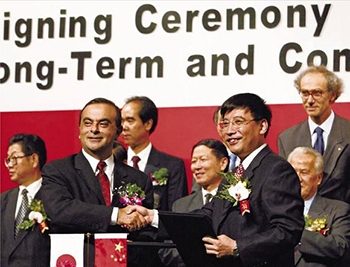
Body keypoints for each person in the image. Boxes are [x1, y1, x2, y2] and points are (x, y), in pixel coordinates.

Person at [134, 93, 305, 267]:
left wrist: (238, 247)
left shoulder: (276, 169)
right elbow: (208, 215)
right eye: (225, 124)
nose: (229, 131)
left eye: (238, 122)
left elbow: (288, 230)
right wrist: (153, 217)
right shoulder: (236, 173)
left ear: (262, 126)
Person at [40, 98, 153, 266]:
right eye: (87, 123)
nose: (94, 130)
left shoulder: (139, 179)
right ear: (79, 130)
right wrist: (116, 215)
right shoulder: (57, 171)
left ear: (118, 131)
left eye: (103, 124)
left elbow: (147, 234)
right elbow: (60, 210)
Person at [278, 65, 350, 203]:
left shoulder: (347, 132)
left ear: (332, 95)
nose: (310, 100)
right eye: (305, 93)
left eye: (317, 93)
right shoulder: (287, 138)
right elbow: (286, 186)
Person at [160, 138, 229, 267]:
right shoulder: (181, 205)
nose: (197, 167)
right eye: (194, 161)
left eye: (203, 160)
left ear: (223, 163)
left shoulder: (235, 200)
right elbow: (167, 249)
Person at [121, 96, 188, 211]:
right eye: (122, 121)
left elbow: (176, 212)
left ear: (148, 124)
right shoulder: (115, 162)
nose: (124, 126)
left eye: (130, 120)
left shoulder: (172, 166)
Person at [288, 147, 350, 267]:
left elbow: (341, 248)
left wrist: (296, 234)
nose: (297, 178)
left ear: (319, 178)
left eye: (304, 172)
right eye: (293, 172)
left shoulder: (338, 210)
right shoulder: (272, 207)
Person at [1, 133, 50, 267]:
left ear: (34, 159)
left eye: (15, 158)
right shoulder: (3, 201)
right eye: (8, 159)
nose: (10, 165)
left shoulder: (54, 198)